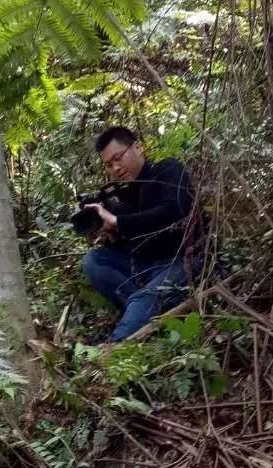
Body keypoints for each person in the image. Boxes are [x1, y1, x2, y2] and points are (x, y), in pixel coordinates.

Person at [81, 126, 196, 342]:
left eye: (118, 158)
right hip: (142, 267)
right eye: (108, 165)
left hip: (180, 260)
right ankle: (144, 310)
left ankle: (114, 349)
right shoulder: (120, 195)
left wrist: (119, 222)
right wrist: (110, 234)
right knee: (93, 261)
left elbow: (177, 209)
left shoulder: (167, 170)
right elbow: (128, 239)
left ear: (137, 147)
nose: (115, 168)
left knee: (145, 298)